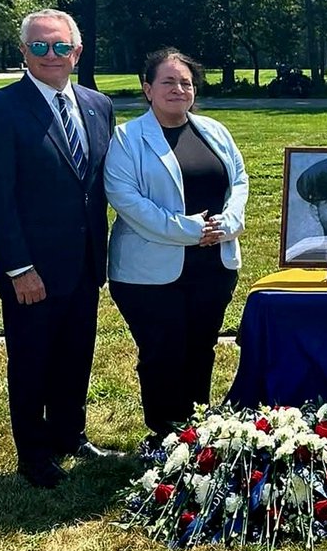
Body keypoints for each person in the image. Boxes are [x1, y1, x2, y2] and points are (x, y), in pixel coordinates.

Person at [0, 9, 116, 488]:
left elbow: (97, 184)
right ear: (24, 53)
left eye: (59, 47)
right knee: (32, 360)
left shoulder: (98, 105)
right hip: (30, 268)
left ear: (76, 51)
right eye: (39, 47)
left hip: (85, 261)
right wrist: (17, 267)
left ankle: (70, 434)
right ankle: (33, 453)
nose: (50, 55)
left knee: (77, 353)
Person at [105, 48, 248, 443]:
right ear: (147, 89)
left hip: (213, 265)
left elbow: (238, 182)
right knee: (162, 354)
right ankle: (165, 437)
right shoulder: (127, 138)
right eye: (168, 81)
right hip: (148, 273)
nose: (178, 88)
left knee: (201, 349)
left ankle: (197, 433)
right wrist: (188, 230)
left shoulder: (215, 131)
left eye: (185, 82)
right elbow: (126, 199)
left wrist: (229, 223)